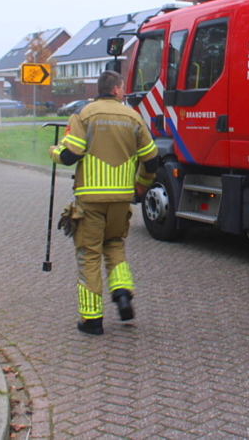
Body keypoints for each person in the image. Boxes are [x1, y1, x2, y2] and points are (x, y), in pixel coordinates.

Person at [49, 70, 158, 335]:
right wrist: (142, 183)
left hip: (90, 199)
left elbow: (70, 154)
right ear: (117, 89)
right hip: (121, 198)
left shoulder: (84, 115)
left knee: (89, 253)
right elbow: (152, 159)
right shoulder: (134, 117)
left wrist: (53, 153)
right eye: (123, 88)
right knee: (114, 244)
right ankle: (122, 292)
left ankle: (92, 320)